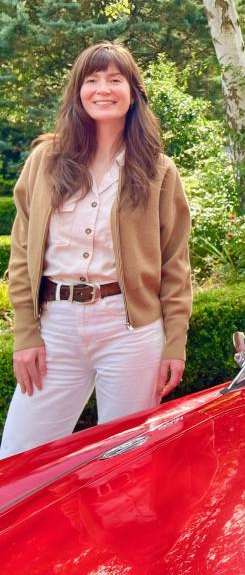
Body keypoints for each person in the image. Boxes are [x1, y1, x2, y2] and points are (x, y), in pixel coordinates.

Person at [1, 42, 192, 459]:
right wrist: (26, 332)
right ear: (77, 91)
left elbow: (175, 264)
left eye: (114, 79)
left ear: (132, 92)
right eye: (91, 80)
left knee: (127, 460)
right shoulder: (45, 161)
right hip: (56, 327)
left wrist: (174, 342)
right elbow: (21, 253)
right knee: (18, 457)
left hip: (129, 332)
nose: (102, 89)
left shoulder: (158, 169)